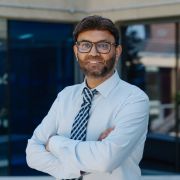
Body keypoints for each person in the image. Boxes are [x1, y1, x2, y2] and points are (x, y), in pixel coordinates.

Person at [26, 15, 149, 180]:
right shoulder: (66, 96)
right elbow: (32, 152)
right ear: (76, 51)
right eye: (85, 45)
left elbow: (106, 159)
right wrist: (73, 170)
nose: (93, 53)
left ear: (117, 51)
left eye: (103, 45)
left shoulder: (134, 99)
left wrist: (54, 143)